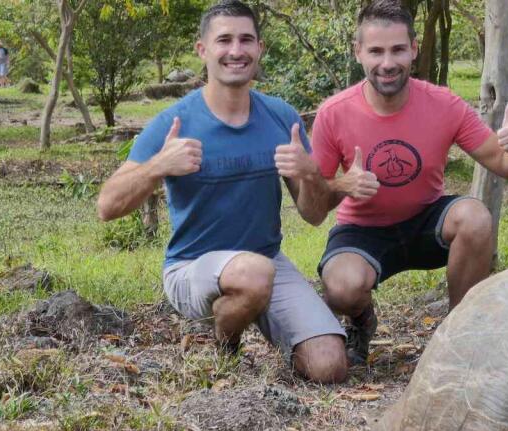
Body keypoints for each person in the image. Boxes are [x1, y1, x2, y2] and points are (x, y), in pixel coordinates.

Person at [96, 0, 348, 383]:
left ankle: (260, 317)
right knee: (253, 273)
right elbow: (107, 206)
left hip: (265, 264)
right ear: (203, 50)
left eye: (246, 40)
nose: (236, 50)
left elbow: (313, 215)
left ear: (259, 49)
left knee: (329, 366)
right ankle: (223, 344)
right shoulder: (176, 122)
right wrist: (158, 166)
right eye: (224, 40)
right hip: (191, 268)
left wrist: (311, 174)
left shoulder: (280, 117)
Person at [308, 0, 508, 365]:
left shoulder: (444, 104)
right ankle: (361, 321)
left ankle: (459, 335)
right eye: (376, 51)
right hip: (362, 230)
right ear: (358, 52)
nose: (387, 62)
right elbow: (313, 208)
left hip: (426, 221)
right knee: (341, 288)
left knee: (475, 216)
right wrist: (342, 184)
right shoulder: (333, 114)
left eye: (398, 49)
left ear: (413, 49)